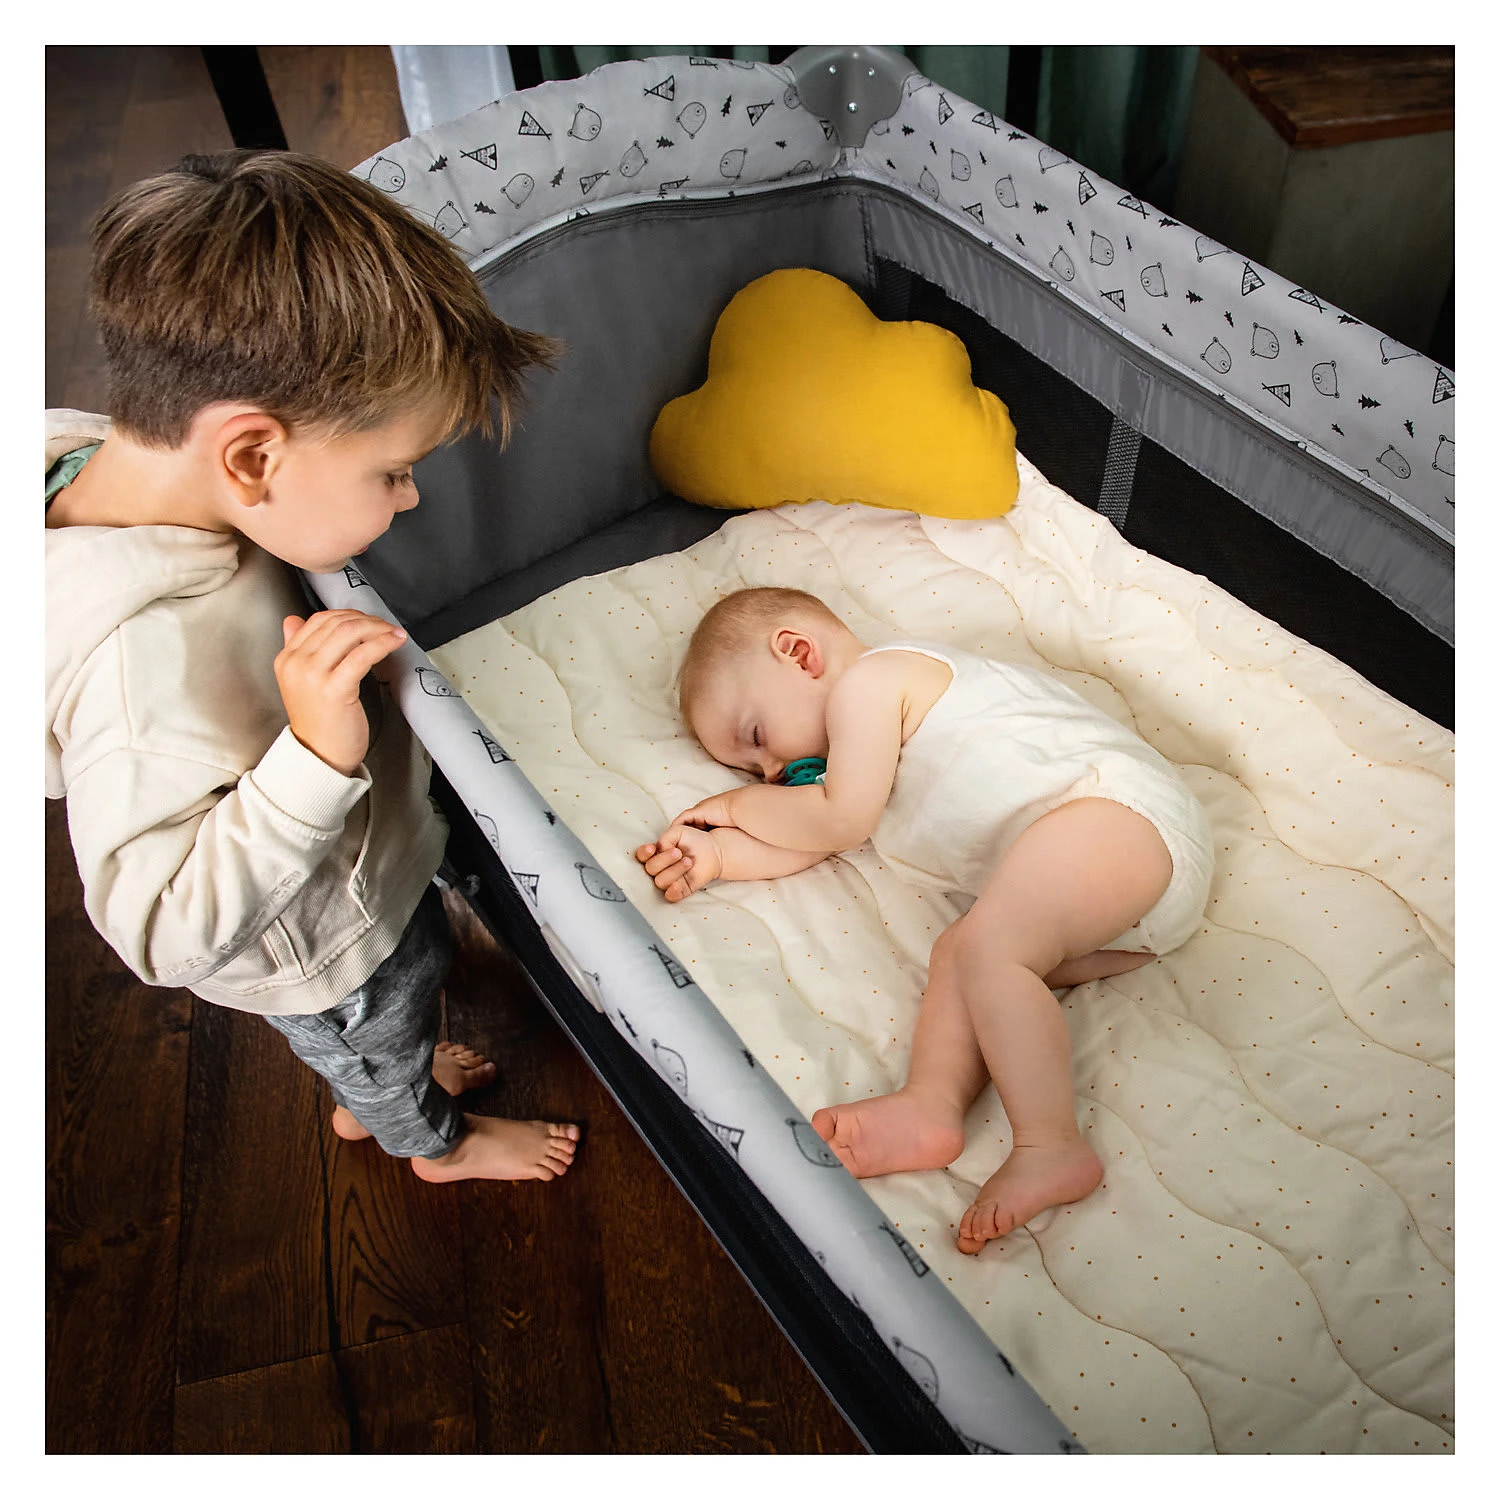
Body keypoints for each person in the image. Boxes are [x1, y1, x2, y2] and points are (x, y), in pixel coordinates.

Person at [46, 149, 579, 1184]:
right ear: (251, 458)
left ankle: (397, 1082)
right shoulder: (134, 672)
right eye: (395, 471)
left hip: (362, 868)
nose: (411, 498)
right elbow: (159, 931)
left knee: (411, 1004)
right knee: (382, 1049)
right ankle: (429, 1142)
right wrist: (316, 757)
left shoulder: (96, 458)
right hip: (325, 946)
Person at [634, 585, 1213, 1252]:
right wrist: (717, 855)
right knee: (963, 954)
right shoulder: (853, 772)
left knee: (991, 950)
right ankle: (931, 1105)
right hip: (1121, 907)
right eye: (749, 770)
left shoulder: (875, 683)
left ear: (799, 654)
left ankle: (1051, 1142)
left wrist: (735, 808)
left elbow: (835, 820)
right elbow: (817, 837)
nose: (768, 772)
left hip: (1125, 818)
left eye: (757, 740)